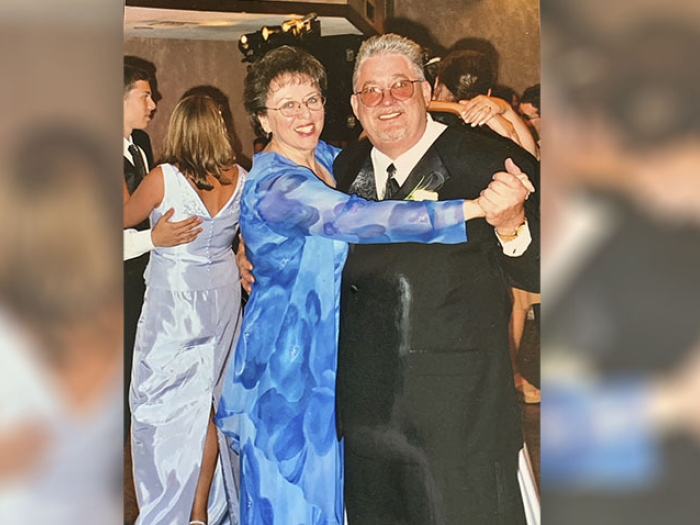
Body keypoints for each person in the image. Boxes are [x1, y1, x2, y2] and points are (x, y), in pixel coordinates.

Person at [214, 45, 532, 525]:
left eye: (312, 100)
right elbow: (365, 218)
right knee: (293, 505)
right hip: (289, 369)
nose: (304, 115)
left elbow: (399, 124)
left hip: (335, 375)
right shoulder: (277, 184)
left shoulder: (330, 159)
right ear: (262, 119)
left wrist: (491, 109)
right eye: (287, 106)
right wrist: (472, 209)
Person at [333, 34, 540, 525]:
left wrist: (511, 226)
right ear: (355, 105)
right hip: (367, 420)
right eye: (371, 91)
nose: (385, 103)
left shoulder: (487, 161)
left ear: (427, 91)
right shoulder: (343, 170)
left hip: (461, 422)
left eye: (400, 86)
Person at [124, 94, 246, 525]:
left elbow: (118, 216)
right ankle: (201, 513)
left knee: (159, 406)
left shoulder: (164, 178)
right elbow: (244, 243)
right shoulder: (241, 178)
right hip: (224, 296)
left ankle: (171, 510)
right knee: (209, 404)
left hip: (174, 301)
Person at [122, 62, 203, 438]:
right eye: (145, 95)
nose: (153, 104)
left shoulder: (140, 145)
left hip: (143, 273)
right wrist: (153, 239)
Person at [430, 48, 539, 159]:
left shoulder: (427, 124)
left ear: (436, 83)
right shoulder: (498, 135)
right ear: (488, 93)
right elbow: (532, 157)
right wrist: (504, 108)